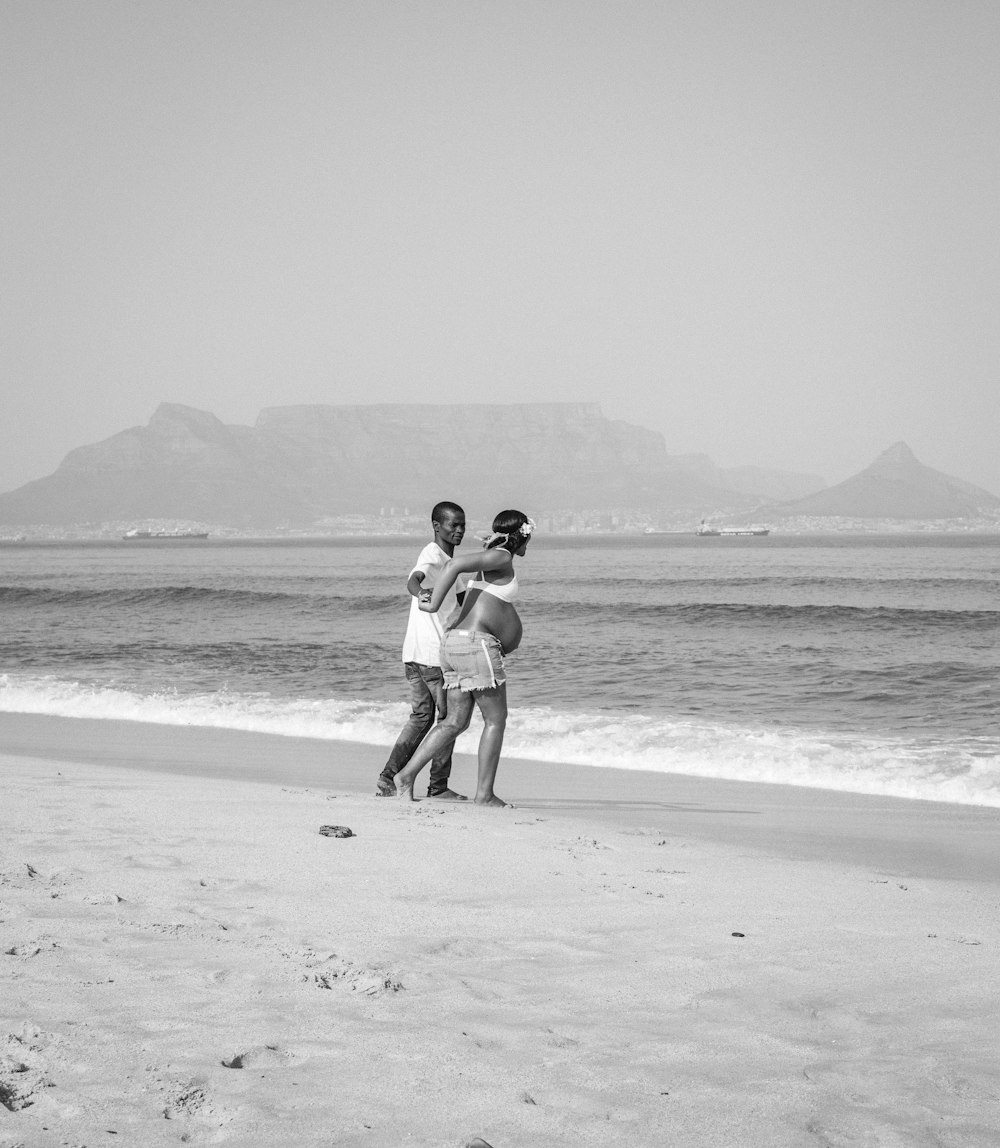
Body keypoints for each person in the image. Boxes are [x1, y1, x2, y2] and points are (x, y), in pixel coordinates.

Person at [393, 509, 535, 808]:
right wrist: (431, 603)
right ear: (521, 536)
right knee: (496, 720)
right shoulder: (502, 557)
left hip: (455, 644)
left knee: (454, 721)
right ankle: (484, 795)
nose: (527, 546)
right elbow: (455, 564)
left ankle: (405, 777)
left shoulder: (493, 558)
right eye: (528, 539)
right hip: (475, 646)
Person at [375, 501, 468, 800]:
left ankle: (388, 778)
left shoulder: (454, 568)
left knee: (421, 718)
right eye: (453, 525)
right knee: (449, 721)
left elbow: (468, 602)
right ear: (436, 527)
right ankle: (437, 786)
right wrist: (420, 591)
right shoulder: (433, 554)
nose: (459, 530)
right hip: (432, 657)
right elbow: (414, 578)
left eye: (462, 525)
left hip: (413, 654)